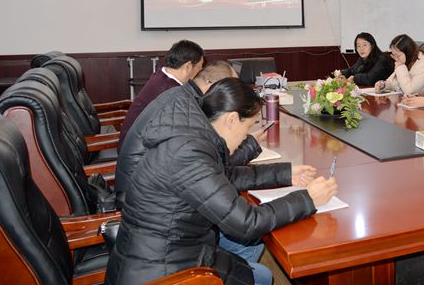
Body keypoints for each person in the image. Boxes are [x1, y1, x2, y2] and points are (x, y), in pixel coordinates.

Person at [106, 78, 338, 285]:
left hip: (171, 252)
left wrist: (285, 173)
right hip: (163, 272)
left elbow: (225, 176)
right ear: (231, 119)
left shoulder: (191, 134)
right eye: (247, 128)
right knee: (262, 275)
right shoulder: (188, 154)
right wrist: (307, 199)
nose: (246, 137)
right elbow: (246, 222)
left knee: (257, 266)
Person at [115, 61, 267, 265]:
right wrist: (248, 146)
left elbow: (212, 166)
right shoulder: (187, 134)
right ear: (213, 87)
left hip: (152, 219)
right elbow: (210, 166)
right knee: (252, 247)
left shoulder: (183, 103)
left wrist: (284, 171)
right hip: (161, 232)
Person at [118, 39, 204, 150]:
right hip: (138, 153)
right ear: (188, 66)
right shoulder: (172, 91)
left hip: (132, 144)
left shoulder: (161, 76)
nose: (200, 71)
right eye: (200, 67)